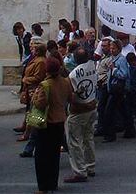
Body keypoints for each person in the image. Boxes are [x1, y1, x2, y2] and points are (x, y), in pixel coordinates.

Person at [33, 57, 72, 193]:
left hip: (47, 123)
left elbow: (40, 104)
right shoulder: (65, 82)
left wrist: (34, 97)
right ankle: (53, 182)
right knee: (54, 154)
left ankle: (43, 186)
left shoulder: (45, 85)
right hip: (60, 121)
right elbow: (69, 97)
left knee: (42, 156)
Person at [64, 47, 98, 183]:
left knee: (74, 142)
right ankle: (91, 166)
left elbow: (71, 96)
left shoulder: (73, 75)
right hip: (92, 106)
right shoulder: (92, 66)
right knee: (88, 138)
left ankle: (79, 171)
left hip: (79, 110)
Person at [103, 39, 133, 142]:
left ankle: (110, 135)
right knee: (123, 110)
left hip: (118, 89)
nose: (111, 50)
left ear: (119, 49)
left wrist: (114, 70)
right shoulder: (113, 58)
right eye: (111, 48)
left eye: (114, 48)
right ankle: (130, 130)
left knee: (109, 112)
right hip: (114, 88)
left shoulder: (121, 60)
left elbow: (123, 74)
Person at [94, 38, 112, 136]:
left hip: (104, 85)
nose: (103, 48)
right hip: (100, 85)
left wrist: (102, 81)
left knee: (102, 107)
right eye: (102, 46)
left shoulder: (110, 59)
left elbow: (109, 72)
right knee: (101, 107)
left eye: (105, 46)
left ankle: (103, 127)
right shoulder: (104, 56)